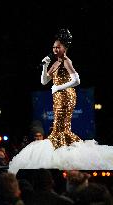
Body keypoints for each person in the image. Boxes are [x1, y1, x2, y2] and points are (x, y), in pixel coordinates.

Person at [8, 28, 113, 174]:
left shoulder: (66, 61)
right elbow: (44, 81)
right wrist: (45, 66)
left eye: (58, 47)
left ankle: (64, 154)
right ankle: (60, 152)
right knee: (58, 126)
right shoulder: (55, 63)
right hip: (57, 96)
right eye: (54, 47)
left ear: (65, 48)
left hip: (66, 96)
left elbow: (76, 80)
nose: (55, 49)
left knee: (60, 127)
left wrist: (58, 86)